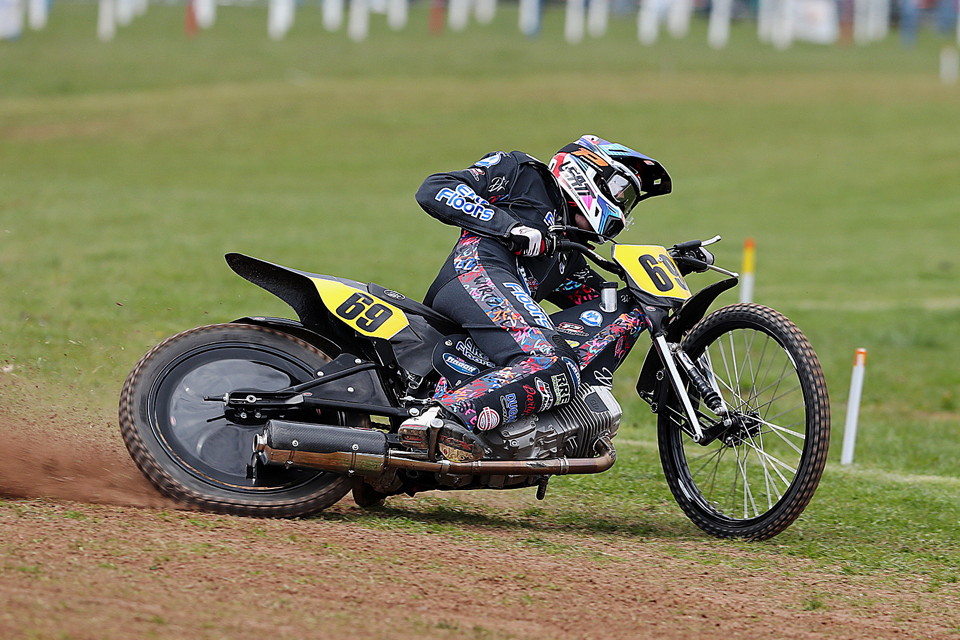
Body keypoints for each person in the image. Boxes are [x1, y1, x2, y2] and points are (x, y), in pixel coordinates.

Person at [401, 135, 672, 460]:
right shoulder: (522, 172)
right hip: (473, 271)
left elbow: (606, 303)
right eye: (621, 192)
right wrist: (508, 227)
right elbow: (435, 188)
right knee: (552, 362)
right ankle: (442, 420)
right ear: (588, 170)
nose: (623, 211)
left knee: (564, 361)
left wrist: (667, 274)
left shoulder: (566, 255)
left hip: (483, 308)